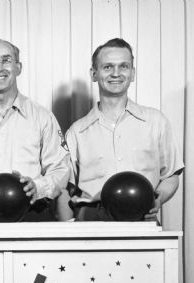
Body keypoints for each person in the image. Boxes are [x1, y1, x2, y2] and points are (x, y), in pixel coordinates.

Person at [59, 38, 183, 221]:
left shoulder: (156, 122)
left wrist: (158, 199)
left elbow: (171, 176)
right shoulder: (76, 132)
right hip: (91, 222)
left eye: (123, 66)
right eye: (107, 67)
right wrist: (67, 234)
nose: (116, 73)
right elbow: (63, 190)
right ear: (94, 73)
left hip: (142, 220)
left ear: (132, 73)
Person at [0, 39, 70, 222]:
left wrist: (37, 187)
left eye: (6, 60)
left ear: (19, 67)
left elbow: (60, 169)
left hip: (32, 209)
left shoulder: (43, 117)